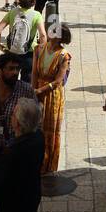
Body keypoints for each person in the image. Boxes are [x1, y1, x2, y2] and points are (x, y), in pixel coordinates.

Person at [32, 23, 72, 175]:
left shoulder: (64, 56)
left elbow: (58, 81)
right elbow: (34, 72)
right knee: (36, 128)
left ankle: (48, 163)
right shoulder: (39, 49)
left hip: (52, 95)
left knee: (50, 129)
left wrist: (40, 90)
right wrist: (33, 90)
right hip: (38, 91)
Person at [0, 0, 44, 84]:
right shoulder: (36, 15)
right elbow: (43, 35)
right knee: (27, 78)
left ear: (20, 1)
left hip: (12, 51)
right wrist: (42, 51)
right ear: (33, 2)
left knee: (10, 78)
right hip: (29, 52)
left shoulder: (12, 12)